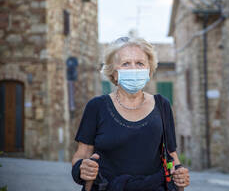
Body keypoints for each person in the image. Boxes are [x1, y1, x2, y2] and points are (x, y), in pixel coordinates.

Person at [71, 37, 190, 191]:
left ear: (149, 70)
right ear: (114, 73)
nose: (134, 69)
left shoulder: (162, 105)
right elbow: (80, 156)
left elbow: (171, 155)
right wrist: (82, 169)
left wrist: (180, 173)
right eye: (126, 64)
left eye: (140, 63)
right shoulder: (97, 107)